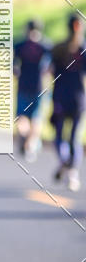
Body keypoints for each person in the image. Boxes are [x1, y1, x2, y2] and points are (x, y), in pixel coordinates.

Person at [50, 13, 85, 191]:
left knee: (59, 137)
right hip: (77, 98)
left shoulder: (58, 48)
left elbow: (52, 73)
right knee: (73, 138)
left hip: (61, 97)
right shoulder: (82, 49)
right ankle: (71, 171)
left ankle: (66, 164)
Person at [14, 20, 51, 162]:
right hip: (39, 87)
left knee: (22, 117)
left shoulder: (20, 45)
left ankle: (28, 142)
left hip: (24, 85)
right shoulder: (45, 46)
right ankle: (31, 143)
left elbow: (13, 65)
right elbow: (49, 66)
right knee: (36, 117)